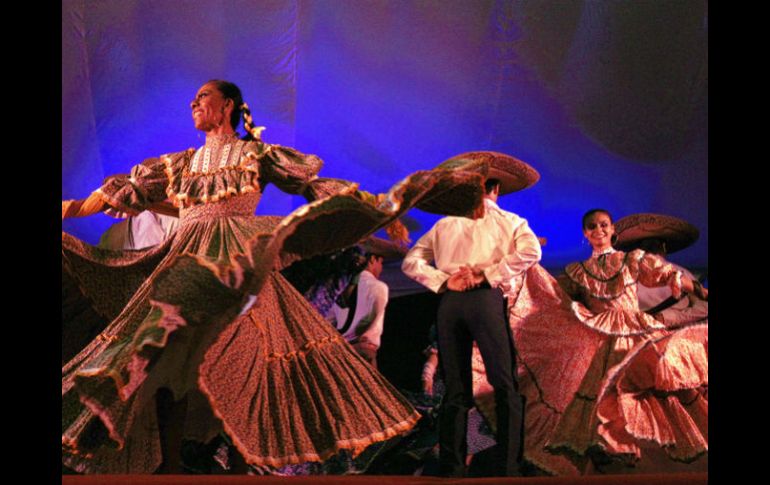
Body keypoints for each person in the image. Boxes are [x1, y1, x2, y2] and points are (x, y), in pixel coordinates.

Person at [61, 80, 486, 474]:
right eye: (192, 98)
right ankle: (172, 467)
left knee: (246, 357)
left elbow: (315, 187)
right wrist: (70, 208)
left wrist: (375, 209)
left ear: (227, 105)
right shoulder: (178, 164)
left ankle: (243, 465)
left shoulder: (255, 155)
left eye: (203, 96)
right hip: (186, 257)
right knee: (164, 349)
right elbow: (114, 194)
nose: (194, 103)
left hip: (240, 257)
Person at [402, 158, 540, 477]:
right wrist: (486, 274)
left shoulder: (444, 224)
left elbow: (411, 262)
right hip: (484, 300)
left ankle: (451, 468)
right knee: (504, 383)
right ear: (495, 190)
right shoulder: (511, 220)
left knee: (455, 388)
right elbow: (532, 252)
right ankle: (508, 467)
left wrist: (443, 281)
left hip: (450, 303)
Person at [543, 209, 708, 470]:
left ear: (613, 231)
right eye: (592, 226)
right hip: (599, 335)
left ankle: (657, 453)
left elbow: (670, 276)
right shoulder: (577, 271)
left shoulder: (632, 260)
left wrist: (703, 292)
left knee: (657, 381)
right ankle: (613, 445)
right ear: (586, 233)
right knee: (601, 392)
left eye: (604, 225)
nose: (599, 230)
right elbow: (553, 297)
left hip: (637, 329)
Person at [613, 213, 707, 326]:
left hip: (654, 335)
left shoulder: (620, 275)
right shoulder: (681, 272)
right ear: (664, 248)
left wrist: (665, 318)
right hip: (660, 333)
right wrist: (669, 317)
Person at [329, 237, 403, 368]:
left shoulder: (340, 287)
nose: (381, 268)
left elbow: (329, 320)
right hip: (364, 349)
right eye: (381, 263)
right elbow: (371, 318)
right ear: (373, 259)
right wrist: (355, 338)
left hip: (343, 350)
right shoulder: (378, 286)